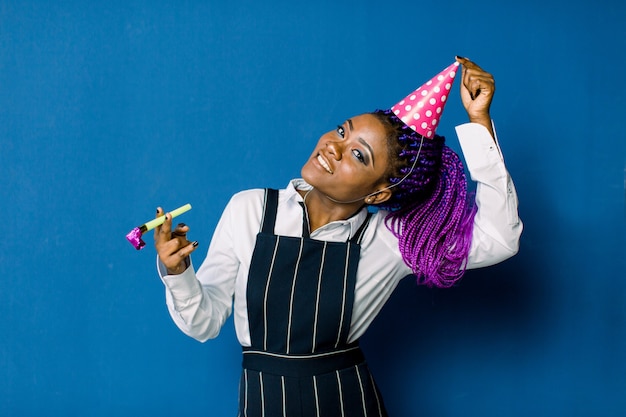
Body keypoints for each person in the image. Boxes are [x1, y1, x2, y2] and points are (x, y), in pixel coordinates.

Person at [153, 56, 522, 416]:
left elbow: (501, 236)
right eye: (343, 131)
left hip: (348, 403)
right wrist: (179, 273)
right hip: (263, 402)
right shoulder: (250, 209)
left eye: (358, 155)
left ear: (378, 195)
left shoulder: (391, 240)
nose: (334, 145)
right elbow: (204, 322)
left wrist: (479, 123)